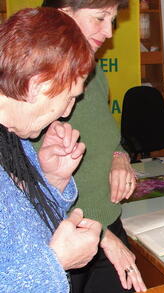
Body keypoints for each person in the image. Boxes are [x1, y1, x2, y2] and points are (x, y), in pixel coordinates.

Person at [39, 1, 146, 292]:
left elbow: (105, 136)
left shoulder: (94, 72)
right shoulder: (31, 80)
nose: (109, 32)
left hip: (106, 223)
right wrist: (100, 236)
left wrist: (119, 156)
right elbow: (27, 189)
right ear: (63, 14)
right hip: (59, 237)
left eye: (112, 20)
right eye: (99, 18)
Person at [0, 8, 102, 292]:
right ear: (37, 86)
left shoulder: (13, 137)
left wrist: (52, 181)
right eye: (69, 97)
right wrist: (56, 262)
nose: (68, 111)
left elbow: (21, 232)